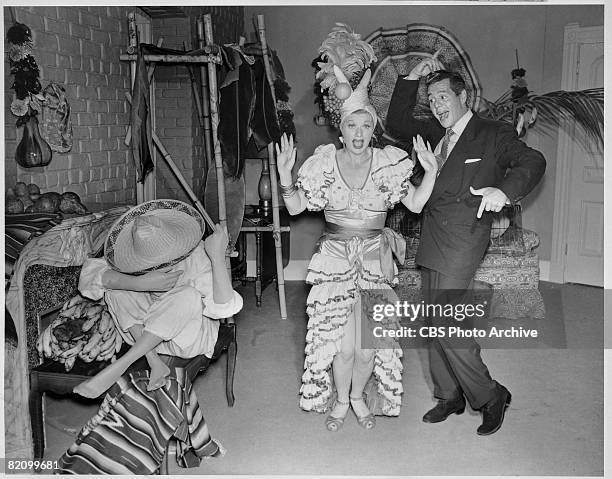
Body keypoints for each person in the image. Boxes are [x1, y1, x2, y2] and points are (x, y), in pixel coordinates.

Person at [387, 58, 546, 435]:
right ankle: (449, 394)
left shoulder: (492, 132)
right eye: (433, 98)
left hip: (462, 239)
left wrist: (505, 191)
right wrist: (412, 78)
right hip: (432, 236)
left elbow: (533, 160)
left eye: (444, 96)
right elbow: (395, 122)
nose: (438, 105)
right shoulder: (431, 131)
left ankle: (491, 394)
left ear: (463, 97)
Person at [275, 65, 438, 431]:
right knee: (344, 347)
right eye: (352, 125)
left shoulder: (388, 162)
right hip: (334, 262)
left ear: (373, 128)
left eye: (366, 126)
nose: (359, 133)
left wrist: (430, 173)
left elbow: (414, 204)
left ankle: (358, 396)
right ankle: (340, 398)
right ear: (342, 128)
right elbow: (297, 207)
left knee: (367, 348)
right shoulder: (324, 163)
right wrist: (286, 176)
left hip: (374, 261)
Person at [73, 199, 243, 398]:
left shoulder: (197, 254)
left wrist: (216, 258)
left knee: (188, 295)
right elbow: (90, 276)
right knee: (116, 290)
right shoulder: (131, 258)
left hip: (187, 339)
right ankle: (154, 362)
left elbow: (224, 308)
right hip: (144, 336)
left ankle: (123, 363)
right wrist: (141, 283)